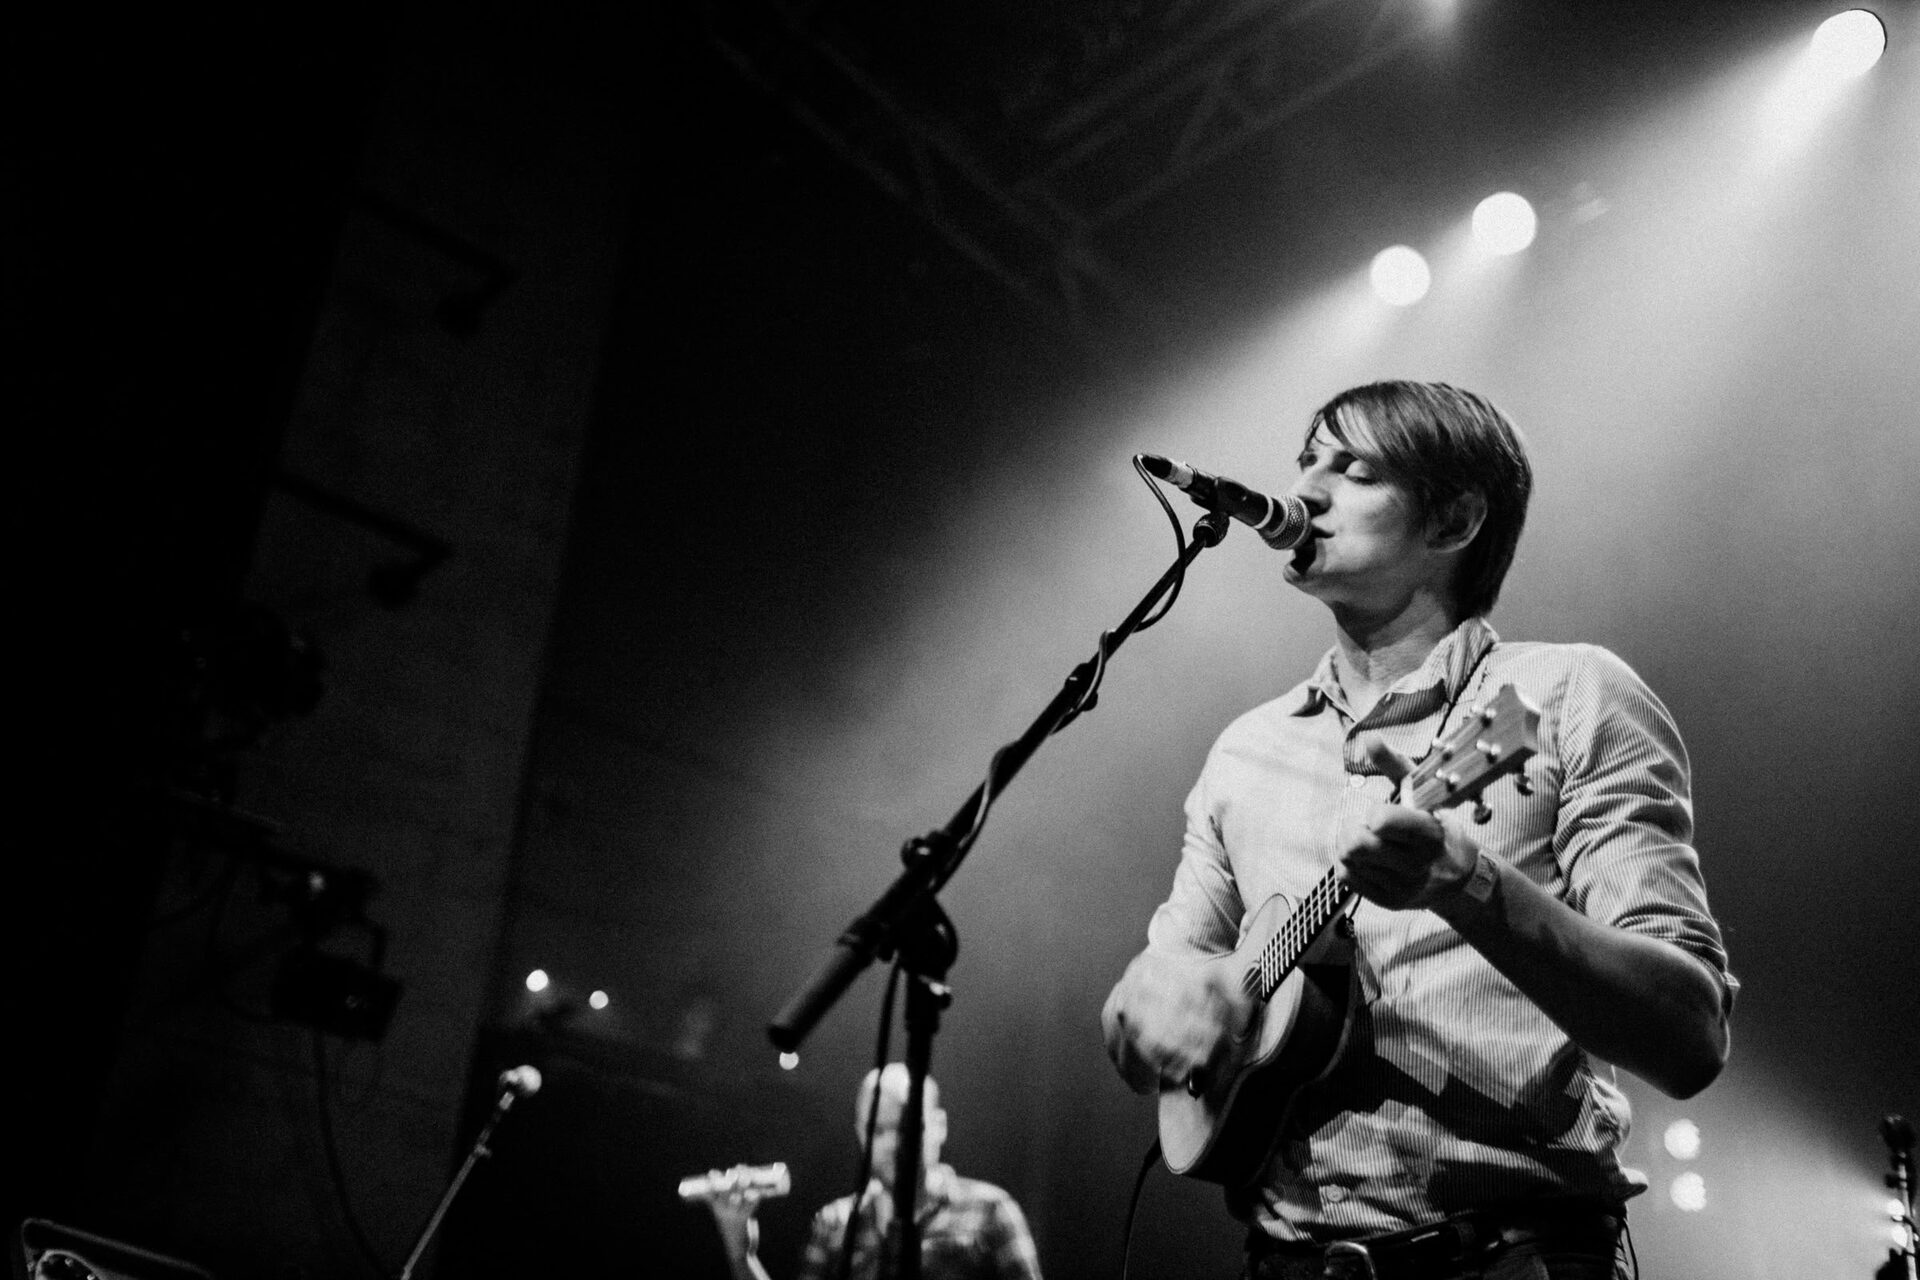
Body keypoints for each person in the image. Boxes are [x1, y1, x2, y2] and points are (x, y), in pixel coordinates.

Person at [1100, 381, 1736, 1280]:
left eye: (1352, 469)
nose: (1308, 491)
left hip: (1511, 1262)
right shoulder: (1248, 750)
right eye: (1306, 462)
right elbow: (1167, 983)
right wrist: (1145, 1013)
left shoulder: (1562, 697)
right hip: (1281, 1262)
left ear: (1454, 521)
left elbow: (1690, 1039)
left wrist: (1469, 887)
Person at [702, 1063, 1043, 1280]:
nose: (893, 1144)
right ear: (860, 1134)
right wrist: (740, 1250)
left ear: (939, 1126)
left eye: (907, 1127)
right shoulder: (835, 1223)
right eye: (878, 1131)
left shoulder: (991, 1210)